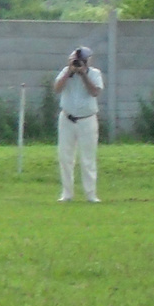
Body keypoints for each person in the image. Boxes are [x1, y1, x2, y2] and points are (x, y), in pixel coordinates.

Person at [54, 45, 104, 203]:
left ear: (87, 62)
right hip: (67, 118)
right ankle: (67, 193)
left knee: (87, 158)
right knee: (65, 157)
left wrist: (83, 75)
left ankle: (91, 194)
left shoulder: (95, 74)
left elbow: (95, 92)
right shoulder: (65, 72)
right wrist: (69, 71)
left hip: (87, 120)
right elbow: (57, 88)